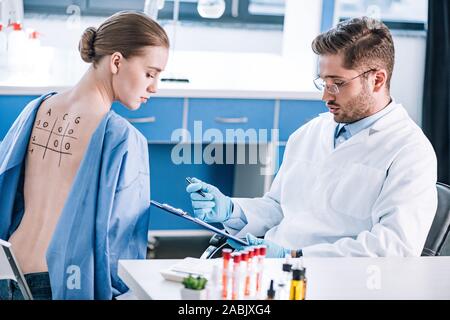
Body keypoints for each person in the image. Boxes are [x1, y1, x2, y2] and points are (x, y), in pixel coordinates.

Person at [186, 17, 437, 258]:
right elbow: (279, 207)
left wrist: (295, 256)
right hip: (274, 272)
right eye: (324, 82)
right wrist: (233, 211)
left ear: (377, 79)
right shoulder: (310, 133)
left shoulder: (410, 152)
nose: (326, 97)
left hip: (340, 283)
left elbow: (393, 248)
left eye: (337, 83)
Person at [0, 11, 169, 299]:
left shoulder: (36, 108)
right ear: (116, 61)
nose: (155, 87)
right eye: (150, 73)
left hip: (7, 269)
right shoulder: (123, 138)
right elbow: (120, 243)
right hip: (59, 281)